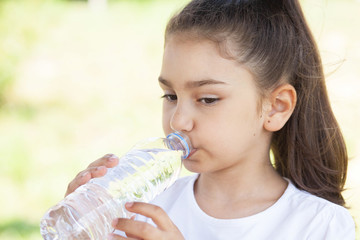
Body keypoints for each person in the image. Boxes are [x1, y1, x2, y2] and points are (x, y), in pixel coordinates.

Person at [65, 0, 355, 239]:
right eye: (170, 96)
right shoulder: (142, 208)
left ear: (276, 107)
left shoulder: (320, 225)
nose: (179, 122)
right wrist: (85, 224)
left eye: (207, 99)